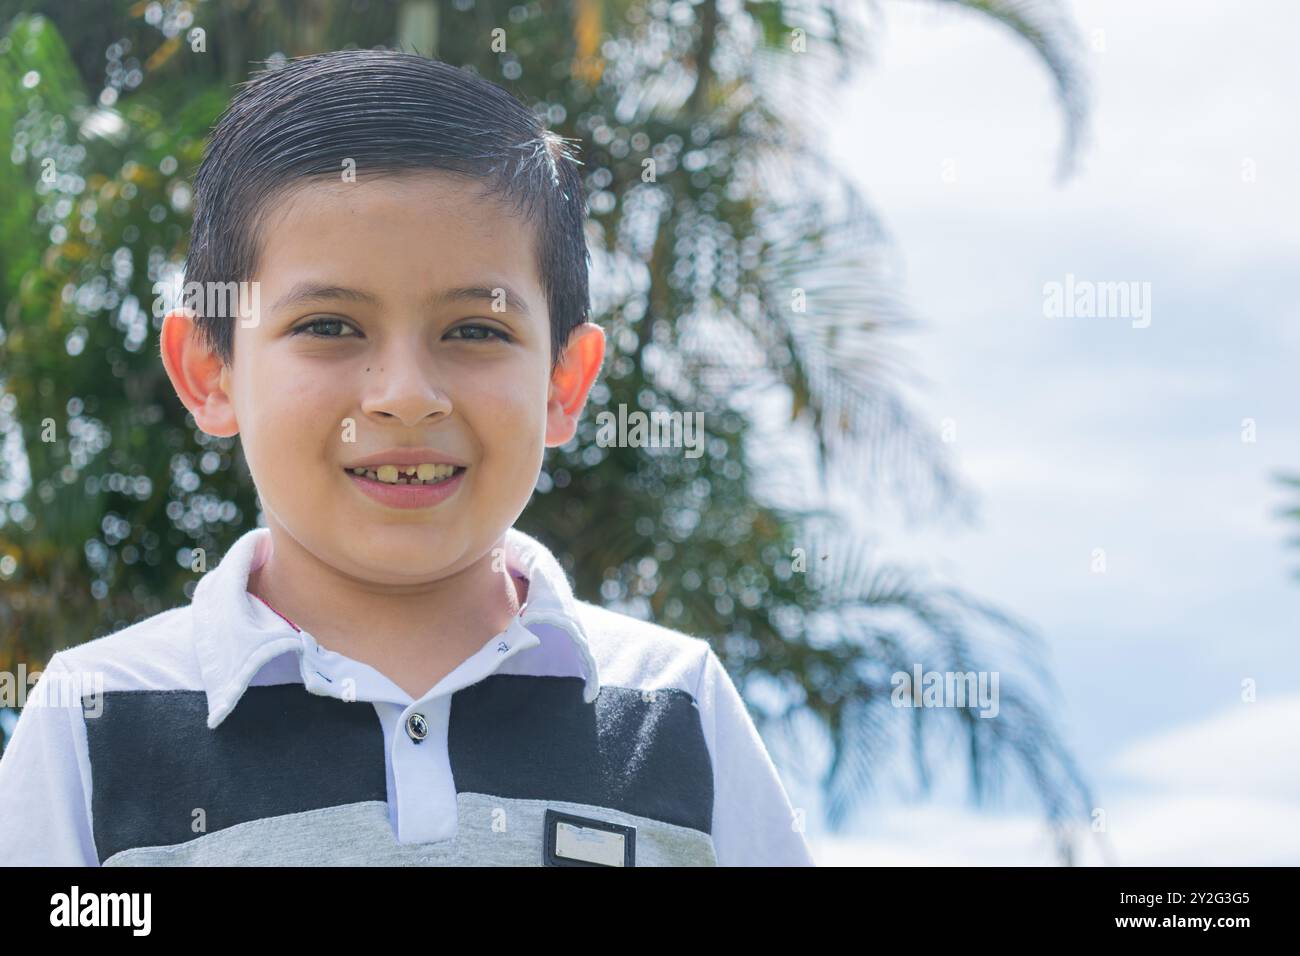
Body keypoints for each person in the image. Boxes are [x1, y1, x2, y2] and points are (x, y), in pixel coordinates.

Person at [0, 49, 814, 867]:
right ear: (210, 372)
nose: (406, 394)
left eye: (476, 330)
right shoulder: (93, 717)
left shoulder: (677, 706)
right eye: (328, 325)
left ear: (565, 383)